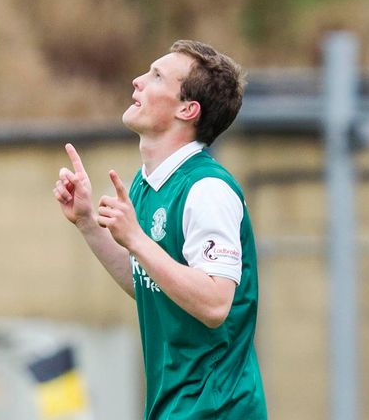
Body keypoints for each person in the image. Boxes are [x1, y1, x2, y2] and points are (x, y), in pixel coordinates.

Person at [53, 40, 267, 419]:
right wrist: (88, 222)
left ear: (187, 109)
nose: (137, 81)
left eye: (156, 77)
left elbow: (215, 303)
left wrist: (136, 239)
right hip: (175, 406)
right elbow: (148, 283)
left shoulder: (207, 189)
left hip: (216, 409)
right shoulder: (146, 184)